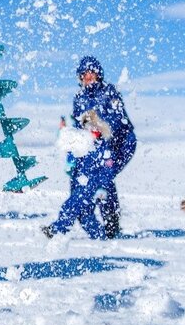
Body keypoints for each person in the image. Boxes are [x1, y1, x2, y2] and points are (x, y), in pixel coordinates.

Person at [43, 56, 136, 239]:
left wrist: (99, 124)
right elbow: (80, 126)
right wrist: (69, 133)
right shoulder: (79, 98)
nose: (87, 78)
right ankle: (107, 229)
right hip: (95, 148)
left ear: (98, 74)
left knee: (93, 185)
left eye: (91, 74)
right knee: (93, 184)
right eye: (84, 75)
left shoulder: (109, 92)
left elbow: (119, 121)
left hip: (119, 146)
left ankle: (60, 227)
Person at [44, 111, 117, 238]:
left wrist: (102, 187)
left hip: (91, 186)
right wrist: (71, 165)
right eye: (86, 126)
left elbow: (108, 169)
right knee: (85, 215)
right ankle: (100, 235)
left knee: (70, 206)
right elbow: (70, 151)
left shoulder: (102, 146)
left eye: (91, 126)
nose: (88, 129)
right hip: (78, 182)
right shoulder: (82, 142)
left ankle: (56, 230)